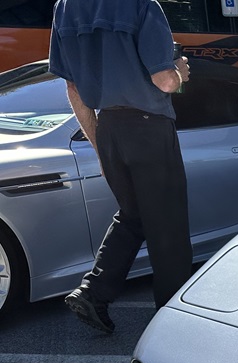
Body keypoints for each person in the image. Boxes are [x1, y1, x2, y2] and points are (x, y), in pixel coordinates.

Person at [49, 0, 192, 334]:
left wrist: (100, 146)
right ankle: (172, 326)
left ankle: (93, 293)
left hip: (109, 127)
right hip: (149, 128)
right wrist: (180, 72)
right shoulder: (142, 5)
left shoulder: (65, 9)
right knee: (167, 227)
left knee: (133, 215)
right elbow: (165, 81)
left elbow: (72, 87)